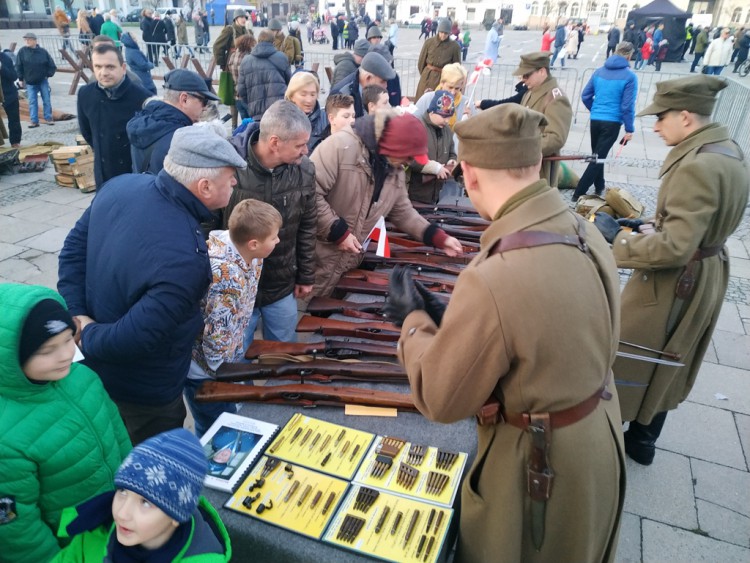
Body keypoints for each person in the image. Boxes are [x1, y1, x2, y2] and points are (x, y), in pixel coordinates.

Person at [386, 103, 625, 563]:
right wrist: (457, 319)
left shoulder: (495, 274)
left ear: (469, 175)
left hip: (540, 462)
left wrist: (413, 323)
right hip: (595, 436)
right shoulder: (582, 228)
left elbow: (441, 399)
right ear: (535, 163)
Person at [592, 75, 748, 466]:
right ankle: (643, 438)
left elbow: (676, 247)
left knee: (635, 351)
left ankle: (615, 436)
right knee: (670, 356)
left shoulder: (697, 165)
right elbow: (694, 229)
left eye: (661, 117)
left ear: (686, 116)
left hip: (677, 280)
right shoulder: (726, 150)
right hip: (702, 270)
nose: (656, 125)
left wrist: (617, 243)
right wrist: (649, 227)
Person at [57, 126, 247, 445]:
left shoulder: (120, 186)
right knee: (147, 471)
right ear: (204, 186)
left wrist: (79, 318)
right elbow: (135, 338)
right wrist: (87, 332)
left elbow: (72, 253)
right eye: (230, 176)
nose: (235, 182)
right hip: (144, 392)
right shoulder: (187, 260)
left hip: (93, 370)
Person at [0, 284, 130, 563]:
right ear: (10, 358)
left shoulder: (83, 378)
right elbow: (16, 530)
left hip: (120, 521)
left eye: (69, 339)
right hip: (73, 546)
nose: (66, 354)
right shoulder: (6, 438)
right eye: (48, 349)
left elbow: (118, 435)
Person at [310, 110, 463, 298]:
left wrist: (438, 237)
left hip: (347, 263)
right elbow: (309, 194)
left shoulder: (395, 167)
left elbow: (402, 212)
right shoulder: (338, 147)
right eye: (407, 156)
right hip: (313, 259)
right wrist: (338, 232)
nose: (409, 162)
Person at [53, 429, 231, 561]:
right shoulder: (95, 529)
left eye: (145, 502)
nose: (122, 514)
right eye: (122, 491)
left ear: (177, 516)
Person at [225, 100, 317, 345]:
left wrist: (305, 276)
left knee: (282, 352)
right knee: (236, 357)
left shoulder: (305, 170)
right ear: (275, 143)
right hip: (237, 290)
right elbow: (208, 226)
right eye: (300, 145)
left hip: (281, 286)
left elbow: (307, 225)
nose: (306, 151)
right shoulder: (229, 166)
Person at [186, 200, 281, 436]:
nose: (278, 241)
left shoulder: (250, 254)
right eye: (274, 238)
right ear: (254, 243)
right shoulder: (228, 280)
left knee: (230, 415)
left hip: (227, 356)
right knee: (215, 428)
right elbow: (217, 331)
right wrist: (224, 372)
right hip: (207, 370)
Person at [77, 43, 151, 187]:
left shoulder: (142, 98)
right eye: (98, 66)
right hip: (103, 173)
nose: (103, 72)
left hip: (132, 175)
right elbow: (87, 132)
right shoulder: (85, 94)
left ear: (123, 68)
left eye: (110, 67)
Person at [573, 41, 637, 200]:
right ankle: (579, 192)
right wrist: (630, 129)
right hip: (612, 121)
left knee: (597, 155)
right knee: (597, 158)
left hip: (596, 119)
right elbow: (627, 106)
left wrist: (594, 109)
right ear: (629, 56)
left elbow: (585, 95)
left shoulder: (599, 72)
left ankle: (599, 185)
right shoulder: (630, 76)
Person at [128, 69, 221, 174]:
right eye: (203, 101)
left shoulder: (144, 120)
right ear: (184, 99)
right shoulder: (180, 138)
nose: (204, 108)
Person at [515, 51, 572, 188]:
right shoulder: (530, 92)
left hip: (540, 171)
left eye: (527, 75)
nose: (523, 79)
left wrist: (521, 149)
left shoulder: (555, 98)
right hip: (524, 166)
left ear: (542, 71)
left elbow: (555, 138)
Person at [408, 90, 457, 204]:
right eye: (443, 116)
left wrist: (452, 161)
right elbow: (410, 157)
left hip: (438, 194)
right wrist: (435, 168)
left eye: (449, 116)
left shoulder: (447, 131)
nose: (447, 120)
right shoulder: (416, 127)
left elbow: (452, 152)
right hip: (416, 195)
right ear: (432, 112)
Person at [237, 29, 291, 121]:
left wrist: (251, 103)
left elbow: (241, 90)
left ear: (258, 41)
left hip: (256, 111)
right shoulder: (282, 57)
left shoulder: (246, 61)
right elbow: (289, 83)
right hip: (278, 109)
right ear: (273, 42)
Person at [330, 51, 396, 117]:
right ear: (368, 78)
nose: (386, 86)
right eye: (382, 81)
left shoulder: (379, 89)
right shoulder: (342, 93)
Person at [15, 32, 56, 128]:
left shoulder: (43, 52)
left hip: (43, 80)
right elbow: (18, 66)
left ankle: (48, 118)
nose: (27, 41)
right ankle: (34, 121)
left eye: (29, 39)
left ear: (35, 40)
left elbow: (52, 65)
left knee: (46, 100)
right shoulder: (22, 51)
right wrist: (20, 79)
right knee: (32, 102)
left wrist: (48, 75)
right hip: (30, 82)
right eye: (25, 39)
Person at [416, 19, 461, 99]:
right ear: (438, 31)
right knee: (423, 100)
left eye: (446, 33)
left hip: (443, 79)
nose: (443, 35)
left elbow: (456, 67)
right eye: (441, 32)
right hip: (427, 77)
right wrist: (425, 74)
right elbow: (421, 62)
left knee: (440, 102)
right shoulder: (429, 42)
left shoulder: (455, 46)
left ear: (449, 33)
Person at [414, 62, 467, 130]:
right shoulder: (427, 99)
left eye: (457, 88)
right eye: (450, 87)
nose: (453, 92)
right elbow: (413, 122)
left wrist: (470, 121)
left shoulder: (466, 103)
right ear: (442, 83)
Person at [285, 71, 328, 152]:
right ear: (291, 95)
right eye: (303, 94)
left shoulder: (326, 119)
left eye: (313, 94)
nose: (309, 100)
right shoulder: (281, 119)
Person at [227, 34, 256, 120]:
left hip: (237, 96)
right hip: (247, 96)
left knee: (245, 123)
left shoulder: (232, 56)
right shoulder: (248, 58)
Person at [0, 50, 22, 147]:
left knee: (14, 119)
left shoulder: (5, 58)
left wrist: (1, 67)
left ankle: (15, 142)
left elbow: (13, 76)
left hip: (9, 94)